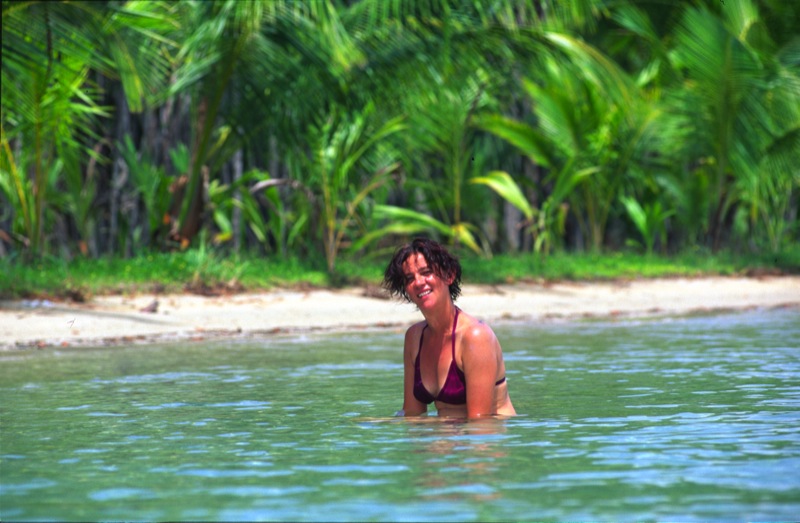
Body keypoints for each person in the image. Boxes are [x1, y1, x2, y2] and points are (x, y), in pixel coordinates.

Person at [383, 238, 516, 419]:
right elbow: (412, 414)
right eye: (410, 278)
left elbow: (480, 423)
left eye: (426, 272)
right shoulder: (414, 337)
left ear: (449, 275)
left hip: (488, 434)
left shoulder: (475, 337)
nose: (418, 282)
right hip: (448, 434)